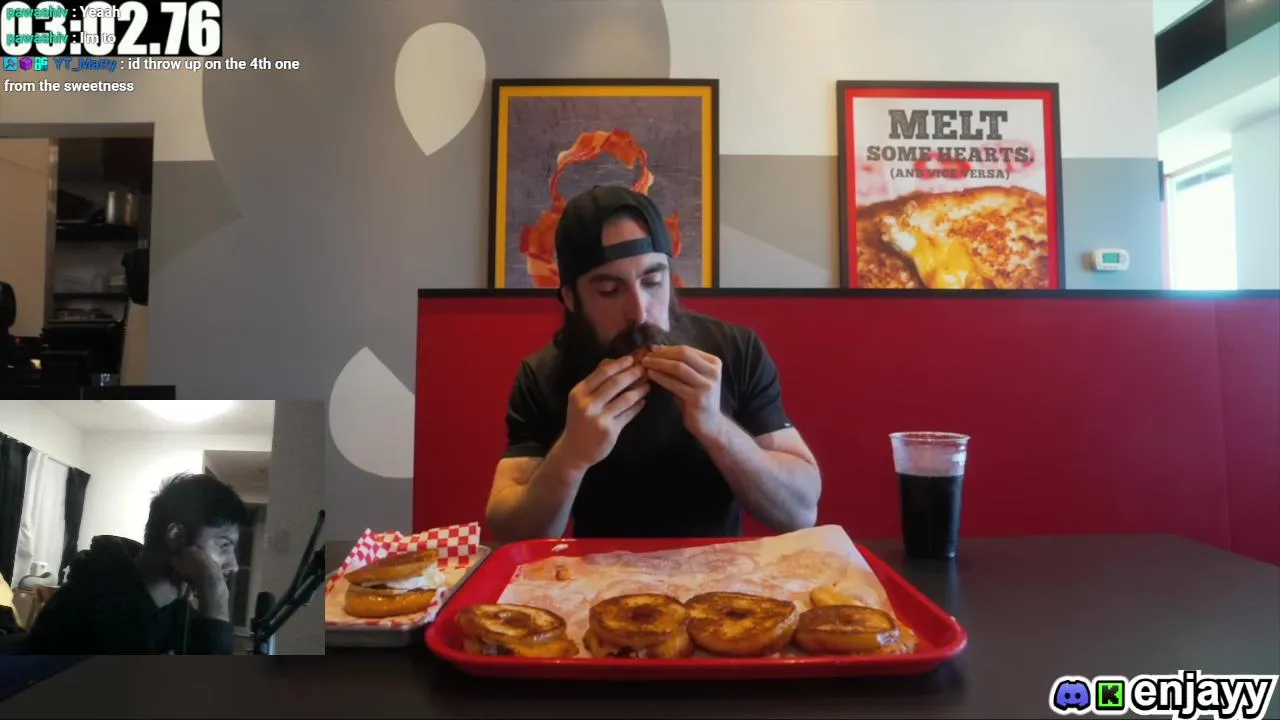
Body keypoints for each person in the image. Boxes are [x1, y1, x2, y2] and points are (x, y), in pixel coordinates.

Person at [486, 185, 822, 541]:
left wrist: (717, 429)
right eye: (609, 290)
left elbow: (800, 511)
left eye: (653, 281)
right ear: (570, 298)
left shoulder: (735, 351)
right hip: (593, 571)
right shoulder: (542, 374)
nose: (639, 311)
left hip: (720, 570)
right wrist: (570, 455)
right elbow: (509, 531)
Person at [25, 472, 248, 655]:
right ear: (177, 536)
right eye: (224, 545)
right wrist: (215, 595)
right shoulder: (90, 609)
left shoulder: (177, 612)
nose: (234, 565)